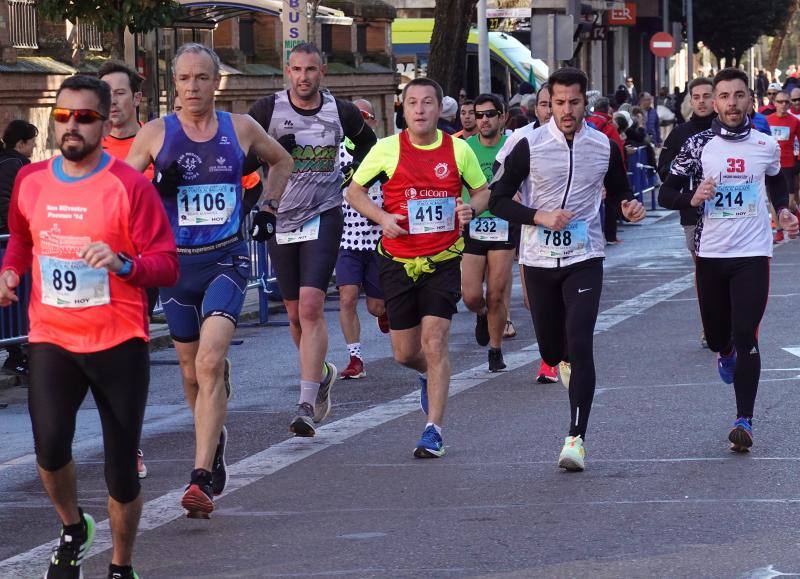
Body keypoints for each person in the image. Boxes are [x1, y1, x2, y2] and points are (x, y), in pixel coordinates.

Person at [0, 74, 178, 579]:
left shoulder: (130, 186)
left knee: (120, 469)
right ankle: (74, 527)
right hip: (52, 338)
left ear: (105, 121)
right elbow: (19, 238)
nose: (72, 126)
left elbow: (166, 263)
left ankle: (121, 565)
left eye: (84, 117)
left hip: (118, 340)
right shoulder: (31, 180)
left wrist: (124, 264)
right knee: (50, 449)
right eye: (63, 116)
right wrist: (10, 271)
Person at [127, 43, 294, 518]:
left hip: (225, 259)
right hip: (175, 267)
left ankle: (200, 477)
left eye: (203, 77)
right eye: (185, 79)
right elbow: (118, 189)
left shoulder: (240, 128)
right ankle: (214, 439)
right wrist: (151, 191)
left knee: (209, 359)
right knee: (190, 372)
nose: (194, 87)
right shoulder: (157, 134)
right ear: (174, 84)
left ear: (215, 81)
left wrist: (267, 206)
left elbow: (281, 161)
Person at [490, 67, 646, 471]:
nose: (566, 110)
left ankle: (576, 438)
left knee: (580, 342)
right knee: (553, 349)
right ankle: (559, 361)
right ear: (550, 103)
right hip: (539, 260)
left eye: (574, 102)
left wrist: (628, 206)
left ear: (585, 103)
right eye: (558, 102)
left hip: (585, 256)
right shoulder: (528, 144)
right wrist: (539, 216)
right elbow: (498, 200)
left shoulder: (604, 146)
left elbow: (619, 190)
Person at [346, 77, 489, 458]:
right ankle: (427, 373)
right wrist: (381, 217)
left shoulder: (458, 150)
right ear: (403, 110)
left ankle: (433, 429)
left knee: (435, 342)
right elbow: (353, 191)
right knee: (405, 353)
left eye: (428, 102)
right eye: (413, 103)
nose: (421, 109)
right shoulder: (386, 150)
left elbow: (482, 190)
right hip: (397, 260)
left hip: (443, 259)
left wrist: (469, 209)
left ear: (439, 108)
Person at [659, 68, 799, 452]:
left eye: (739, 96)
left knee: (746, 332)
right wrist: (691, 197)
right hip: (711, 255)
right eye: (724, 96)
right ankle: (723, 352)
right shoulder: (698, 145)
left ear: (750, 100)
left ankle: (744, 420)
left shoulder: (764, 143)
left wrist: (782, 210)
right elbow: (664, 194)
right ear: (714, 102)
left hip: (753, 254)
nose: (732, 103)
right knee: (721, 337)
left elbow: (774, 177)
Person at [248, 42, 377, 438]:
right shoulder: (267, 111)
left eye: (311, 70)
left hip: (324, 213)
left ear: (323, 72)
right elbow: (240, 159)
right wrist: (271, 156)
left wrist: (355, 174)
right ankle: (320, 373)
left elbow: (369, 146)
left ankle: (305, 403)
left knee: (310, 305)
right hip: (279, 217)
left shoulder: (341, 111)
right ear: (287, 72)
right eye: (297, 70)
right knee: (292, 313)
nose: (304, 77)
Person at [98, 60, 155, 480]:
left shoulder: (159, 142)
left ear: (136, 98)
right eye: (105, 95)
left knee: (124, 358)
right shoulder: (86, 149)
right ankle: (121, 440)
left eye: (119, 93)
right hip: (92, 272)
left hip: (143, 269)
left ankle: (126, 444)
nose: (111, 103)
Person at [657, 76, 715, 348]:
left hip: (731, 212)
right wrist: (688, 179)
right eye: (697, 97)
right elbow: (664, 171)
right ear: (690, 101)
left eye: (707, 95)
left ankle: (726, 322)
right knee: (705, 270)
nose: (702, 101)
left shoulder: (727, 129)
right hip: (694, 214)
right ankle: (710, 325)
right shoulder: (681, 134)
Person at [460, 93, 515, 372]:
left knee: (496, 292)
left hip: (504, 225)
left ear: (502, 117)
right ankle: (481, 314)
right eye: (479, 115)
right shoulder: (463, 147)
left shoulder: (514, 145)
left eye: (490, 114)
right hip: (473, 224)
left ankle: (495, 350)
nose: (483, 120)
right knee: (470, 295)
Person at [335, 98, 389, 380]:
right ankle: (355, 359)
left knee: (375, 306)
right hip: (348, 239)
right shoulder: (338, 153)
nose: (356, 122)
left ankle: (385, 311)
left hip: (379, 238)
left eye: (362, 116)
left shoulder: (384, 151)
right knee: (347, 297)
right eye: (350, 117)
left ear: (372, 121)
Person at [0, 119, 37, 377]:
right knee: (16, 302)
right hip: (11, 238)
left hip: (8, 237)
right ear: (21, 143)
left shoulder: (8, 162)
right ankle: (17, 355)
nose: (34, 148)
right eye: (31, 143)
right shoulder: (17, 165)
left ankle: (17, 353)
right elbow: (14, 202)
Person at [766, 90, 800, 243]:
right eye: (780, 102)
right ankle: (779, 231)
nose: (784, 105)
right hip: (770, 165)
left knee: (791, 202)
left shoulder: (794, 121)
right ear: (774, 103)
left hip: (788, 165)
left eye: (787, 102)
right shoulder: (767, 120)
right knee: (774, 200)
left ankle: (793, 224)